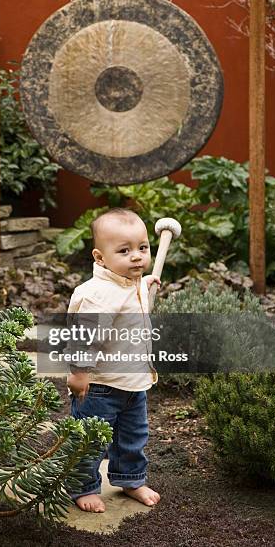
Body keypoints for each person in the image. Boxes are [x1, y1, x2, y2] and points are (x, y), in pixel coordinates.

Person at [66, 207, 161, 513]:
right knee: (90, 441)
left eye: (142, 248)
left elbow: (130, 302)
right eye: (125, 250)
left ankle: (130, 478)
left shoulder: (132, 283)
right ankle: (83, 486)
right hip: (101, 386)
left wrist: (144, 287)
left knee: (133, 437)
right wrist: (78, 373)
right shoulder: (99, 295)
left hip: (133, 383)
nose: (137, 257)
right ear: (100, 258)